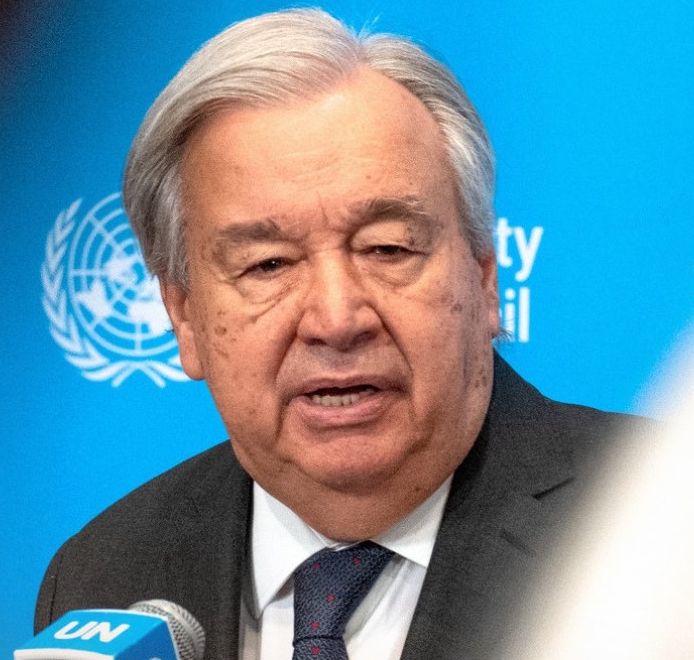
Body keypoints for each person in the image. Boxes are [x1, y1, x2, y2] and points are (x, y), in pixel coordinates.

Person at [35, 8, 641, 659]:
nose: (336, 318)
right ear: (183, 317)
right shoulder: (103, 575)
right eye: (267, 265)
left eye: (386, 248)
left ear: (485, 279)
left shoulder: (667, 520)